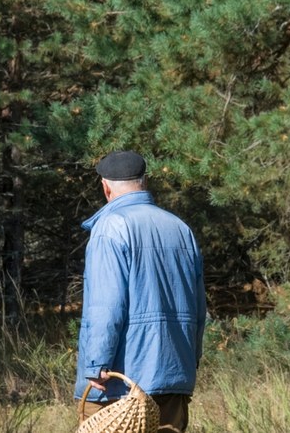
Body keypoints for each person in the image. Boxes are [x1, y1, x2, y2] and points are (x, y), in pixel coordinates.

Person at [75, 150, 206, 433]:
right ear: (144, 182)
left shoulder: (110, 228)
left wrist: (97, 364)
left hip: (120, 387)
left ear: (105, 186)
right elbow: (198, 309)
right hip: (174, 376)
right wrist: (189, 359)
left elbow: (105, 306)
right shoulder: (181, 229)